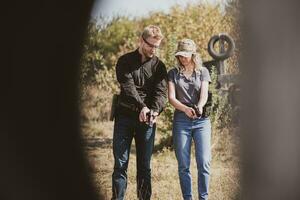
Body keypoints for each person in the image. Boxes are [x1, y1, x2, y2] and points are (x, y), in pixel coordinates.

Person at [111, 25, 168, 200]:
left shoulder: (159, 66)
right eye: (151, 45)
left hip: (148, 121)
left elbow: (161, 92)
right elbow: (128, 88)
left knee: (144, 166)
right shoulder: (124, 61)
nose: (154, 49)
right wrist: (142, 106)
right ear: (141, 41)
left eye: (157, 46)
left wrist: (155, 110)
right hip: (125, 118)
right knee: (121, 164)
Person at [168, 39, 212, 200]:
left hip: (201, 121)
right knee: (183, 165)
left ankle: (204, 197)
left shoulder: (203, 72)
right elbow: (171, 98)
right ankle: (188, 198)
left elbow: (204, 94)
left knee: (204, 162)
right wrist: (185, 109)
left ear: (193, 54)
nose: (183, 58)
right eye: (180, 55)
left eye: (186, 55)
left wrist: (199, 106)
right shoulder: (172, 73)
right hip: (181, 120)